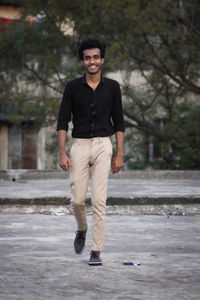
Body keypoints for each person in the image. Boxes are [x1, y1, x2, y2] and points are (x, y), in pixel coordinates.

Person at [57, 38, 124, 265]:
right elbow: (62, 122)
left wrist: (119, 154)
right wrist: (62, 153)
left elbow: (120, 123)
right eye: (87, 58)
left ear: (102, 60)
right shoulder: (72, 87)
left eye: (96, 57)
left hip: (104, 144)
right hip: (80, 146)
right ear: (82, 61)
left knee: (99, 200)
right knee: (76, 200)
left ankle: (96, 251)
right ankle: (82, 228)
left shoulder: (113, 87)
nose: (92, 61)